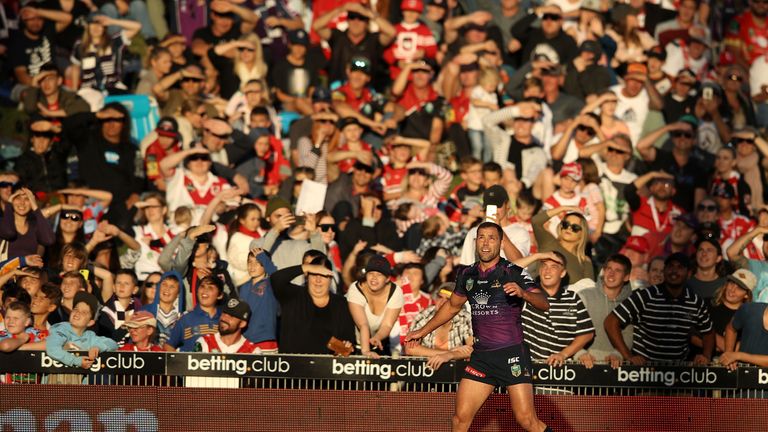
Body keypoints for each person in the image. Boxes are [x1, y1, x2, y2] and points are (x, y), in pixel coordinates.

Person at [406, 222, 551, 432]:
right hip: (481, 358)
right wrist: (422, 331)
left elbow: (544, 303)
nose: (485, 242)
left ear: (500, 243)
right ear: (476, 242)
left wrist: (524, 294)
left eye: (492, 238)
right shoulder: (467, 274)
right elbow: (452, 306)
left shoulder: (513, 271)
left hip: (511, 354)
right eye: (481, 237)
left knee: (527, 420)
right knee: (460, 419)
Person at [605, 253, 714, 364]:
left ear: (689, 273)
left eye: (680, 267)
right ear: (665, 270)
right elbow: (611, 321)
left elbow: (708, 332)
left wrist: (706, 356)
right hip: (644, 371)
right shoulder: (646, 296)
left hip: (678, 371)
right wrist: (628, 356)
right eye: (670, 266)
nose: (674, 271)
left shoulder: (695, 301)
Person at [269, 255, 356, 354]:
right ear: (307, 276)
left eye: (323, 275)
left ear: (331, 278)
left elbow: (348, 339)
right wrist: (307, 267)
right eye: (314, 274)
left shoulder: (341, 304)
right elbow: (275, 279)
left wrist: (345, 346)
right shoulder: (293, 295)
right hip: (292, 365)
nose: (318, 280)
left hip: (325, 366)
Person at [519, 251, 595, 364]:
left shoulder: (572, 298)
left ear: (563, 273)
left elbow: (587, 333)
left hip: (561, 369)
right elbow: (503, 271)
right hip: (529, 367)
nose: (547, 270)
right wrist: (538, 256)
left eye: (553, 267)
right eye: (544, 265)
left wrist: (563, 354)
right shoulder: (528, 294)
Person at [577, 254, 633, 367]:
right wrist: (579, 353)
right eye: (609, 269)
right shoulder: (584, 295)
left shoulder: (631, 302)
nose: (611, 273)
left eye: (617, 270)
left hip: (616, 366)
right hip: (583, 363)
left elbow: (629, 333)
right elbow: (571, 327)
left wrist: (619, 354)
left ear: (626, 277)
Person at [404, 283, 473, 370]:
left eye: (448, 299)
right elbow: (410, 349)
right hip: (424, 372)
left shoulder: (465, 317)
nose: (442, 302)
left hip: (455, 374)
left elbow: (472, 350)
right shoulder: (423, 316)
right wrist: (449, 352)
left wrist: (449, 356)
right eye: (440, 297)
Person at [347, 255, 404, 357]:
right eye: (371, 273)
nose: (374, 278)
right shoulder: (356, 289)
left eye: (379, 274)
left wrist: (377, 337)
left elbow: (387, 325)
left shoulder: (395, 292)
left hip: (378, 344)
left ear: (387, 279)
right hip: (351, 344)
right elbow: (363, 324)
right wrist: (365, 351)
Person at [45, 292, 119, 368]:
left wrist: (98, 347)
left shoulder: (90, 336)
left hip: (80, 380)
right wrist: (77, 361)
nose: (77, 312)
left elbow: (113, 344)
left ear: (90, 322)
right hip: (56, 379)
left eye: (84, 312)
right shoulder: (60, 329)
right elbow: (52, 349)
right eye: (75, 309)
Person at [531, 206, 593, 283]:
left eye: (575, 227)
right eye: (566, 224)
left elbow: (589, 289)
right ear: (561, 226)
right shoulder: (549, 242)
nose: (569, 228)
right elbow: (536, 221)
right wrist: (564, 208)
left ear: (582, 234)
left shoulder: (584, 260)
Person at [195, 297, 277, 353]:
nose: (224, 318)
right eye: (224, 313)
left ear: (242, 324)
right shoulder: (204, 343)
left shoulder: (253, 352)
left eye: (231, 316)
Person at [163, 275, 223, 352]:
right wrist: (180, 362)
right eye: (202, 286)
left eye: (210, 288)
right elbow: (168, 346)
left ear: (220, 295)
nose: (205, 290)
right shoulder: (185, 318)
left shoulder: (225, 317)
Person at [721, 270, 766, 368]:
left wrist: (739, 355)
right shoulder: (750, 309)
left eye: (740, 287)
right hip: (740, 378)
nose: (733, 289)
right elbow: (730, 328)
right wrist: (729, 353)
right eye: (731, 283)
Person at [238, 249, 279, 345]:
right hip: (245, 341)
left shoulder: (271, 284)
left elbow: (277, 276)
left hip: (265, 340)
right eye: (250, 262)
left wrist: (263, 258)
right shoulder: (244, 287)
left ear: (265, 264)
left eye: (257, 262)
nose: (252, 266)